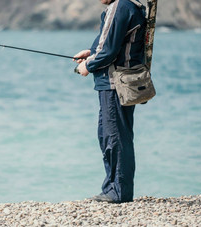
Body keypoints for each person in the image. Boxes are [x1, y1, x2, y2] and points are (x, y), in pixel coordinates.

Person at [73, 0, 146, 203]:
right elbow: (108, 43)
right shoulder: (127, 6)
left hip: (115, 83)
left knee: (115, 137)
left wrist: (88, 65)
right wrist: (90, 52)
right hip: (115, 83)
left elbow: (109, 51)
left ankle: (118, 192)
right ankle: (112, 188)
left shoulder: (120, 7)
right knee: (109, 135)